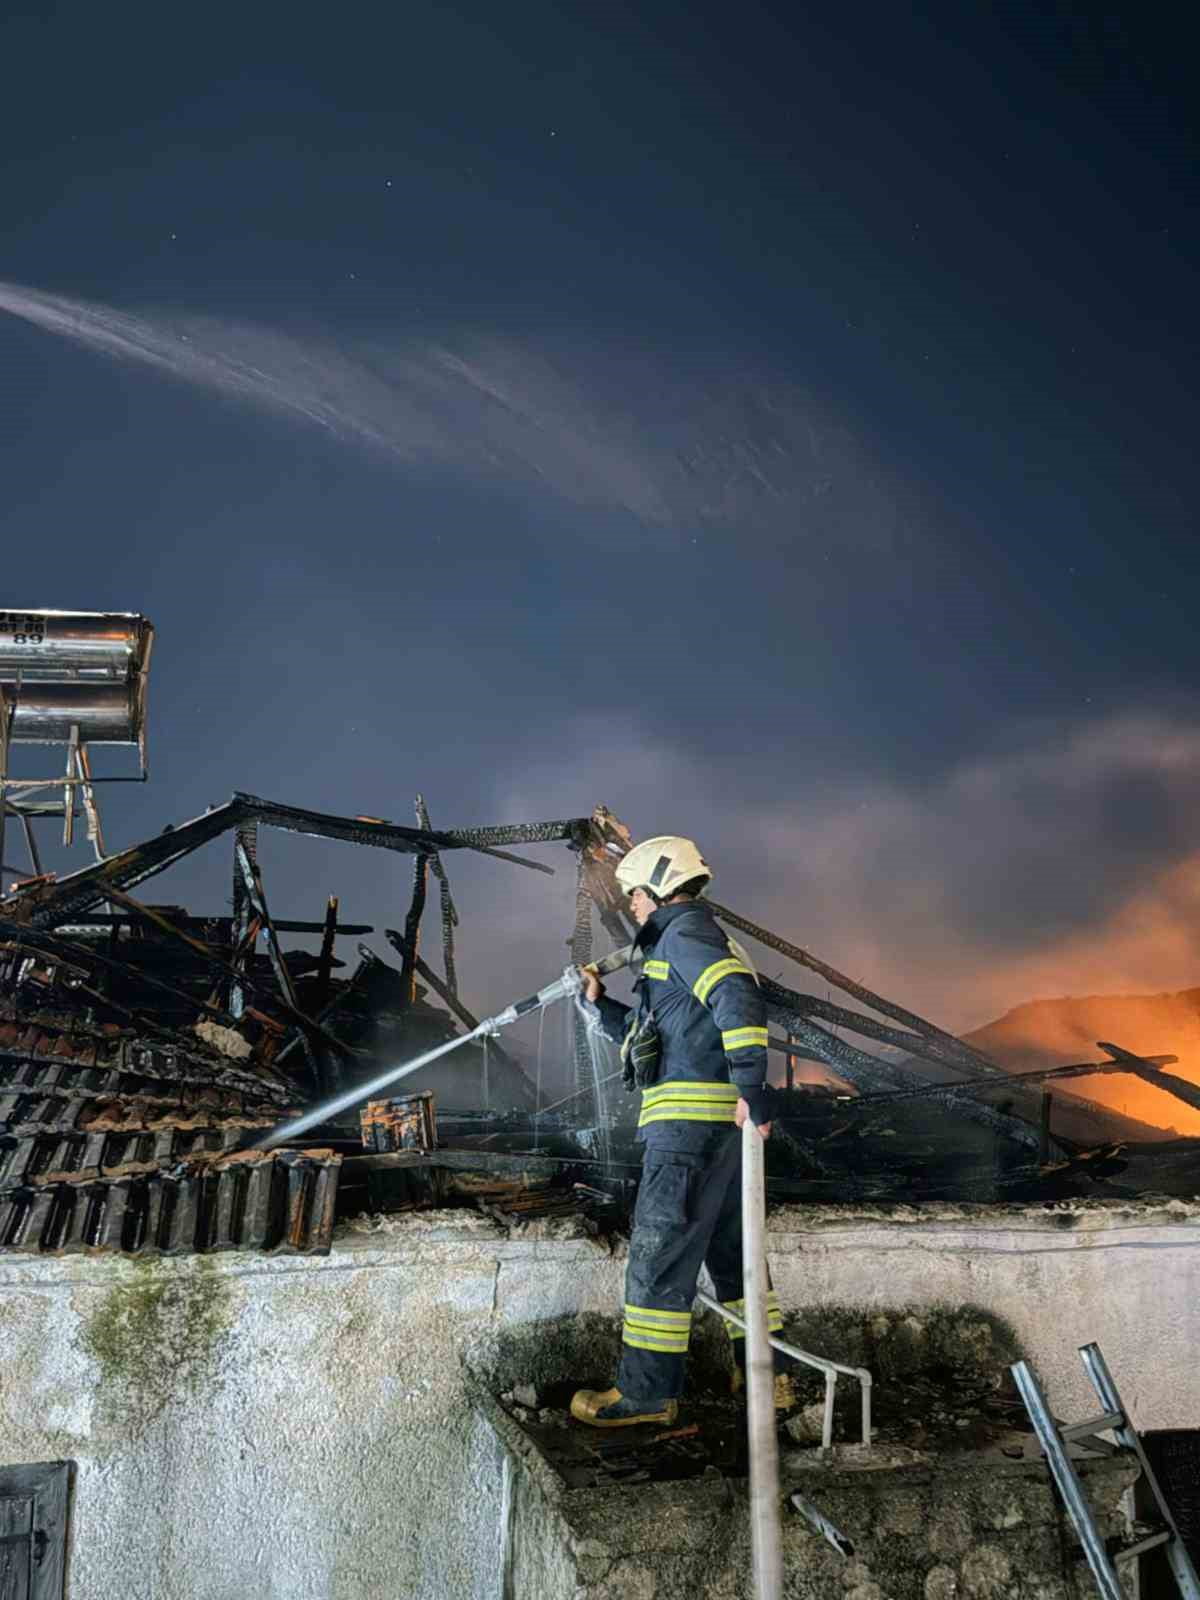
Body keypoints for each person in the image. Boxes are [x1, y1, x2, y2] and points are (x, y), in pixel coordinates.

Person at [569, 835, 793, 1427]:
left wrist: (753, 1089)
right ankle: (768, 1376)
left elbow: (736, 999)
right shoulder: (689, 940)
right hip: (713, 1128)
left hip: (688, 1129)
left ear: (654, 890)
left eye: (634, 897)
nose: (633, 908)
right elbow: (662, 1042)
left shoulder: (685, 934)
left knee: (659, 1252)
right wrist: (601, 1007)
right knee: (734, 1255)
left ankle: (645, 1394)